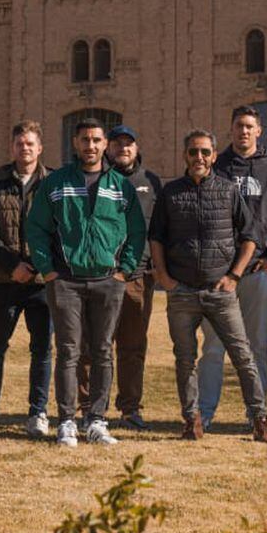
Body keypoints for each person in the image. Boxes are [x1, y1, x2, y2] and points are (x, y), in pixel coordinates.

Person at [25, 118, 147, 448]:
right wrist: (48, 269)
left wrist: (125, 269)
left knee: (103, 350)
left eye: (96, 140)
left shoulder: (120, 185)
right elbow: (35, 228)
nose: (90, 146)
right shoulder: (56, 183)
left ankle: (96, 420)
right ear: (75, 143)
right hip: (65, 281)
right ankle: (66, 420)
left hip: (108, 281)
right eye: (84, 140)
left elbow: (137, 231)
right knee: (69, 351)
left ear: (104, 144)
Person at [150, 129, 267, 443]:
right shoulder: (171, 193)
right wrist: (163, 277)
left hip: (220, 292)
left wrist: (234, 275)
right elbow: (156, 238)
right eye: (193, 152)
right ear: (185, 156)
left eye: (205, 152)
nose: (199, 158)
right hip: (182, 292)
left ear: (214, 156)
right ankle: (192, 420)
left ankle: (260, 419)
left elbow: (250, 237)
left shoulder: (229, 191)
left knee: (243, 356)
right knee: (185, 359)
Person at [197, 105, 267, 427]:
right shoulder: (217, 166)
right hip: (218, 273)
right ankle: (205, 413)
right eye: (239, 126)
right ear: (231, 129)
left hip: (257, 272)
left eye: (249, 126)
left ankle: (257, 414)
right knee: (212, 346)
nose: (244, 131)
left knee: (256, 346)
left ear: (259, 130)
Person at [77, 125, 162, 429]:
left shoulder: (150, 182)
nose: (123, 149)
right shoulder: (95, 179)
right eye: (117, 144)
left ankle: (130, 408)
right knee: (92, 346)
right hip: (99, 276)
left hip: (137, 278)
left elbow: (159, 228)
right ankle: (87, 406)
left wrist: (153, 264)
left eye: (129, 144)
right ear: (107, 149)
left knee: (132, 346)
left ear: (137, 148)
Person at [0, 120, 52, 439]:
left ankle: (38, 412)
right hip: (6, 281)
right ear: (13, 147)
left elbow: (58, 228)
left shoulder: (53, 184)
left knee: (42, 350)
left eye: (30, 144)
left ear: (40, 148)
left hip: (41, 284)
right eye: (20, 144)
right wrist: (12, 265)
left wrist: (33, 265)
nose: (25, 149)